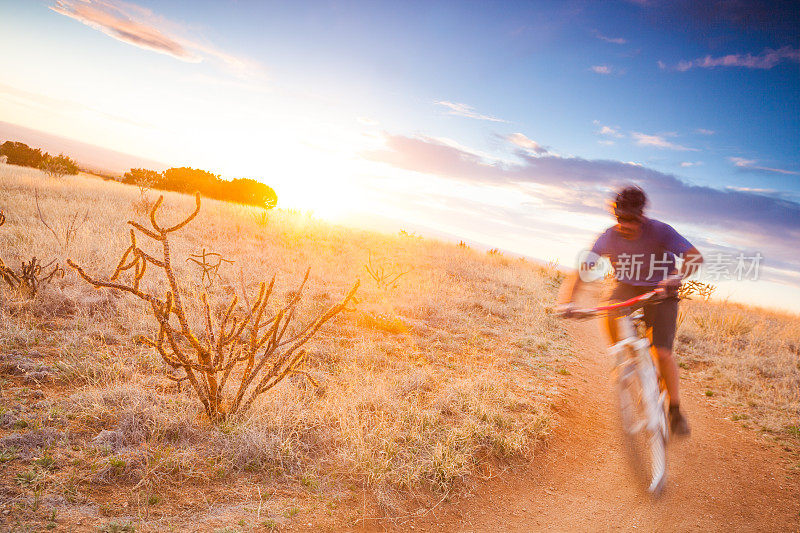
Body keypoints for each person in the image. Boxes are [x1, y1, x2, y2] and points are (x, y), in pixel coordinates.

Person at [559, 185, 702, 436]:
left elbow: (695, 257)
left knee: (663, 353)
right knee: (609, 308)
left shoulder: (660, 231)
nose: (625, 225)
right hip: (626, 288)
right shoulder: (607, 237)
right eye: (620, 219)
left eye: (631, 220)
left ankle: (675, 410)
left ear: (642, 216)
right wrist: (568, 301)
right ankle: (623, 356)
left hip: (661, 292)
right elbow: (583, 269)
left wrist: (675, 277)